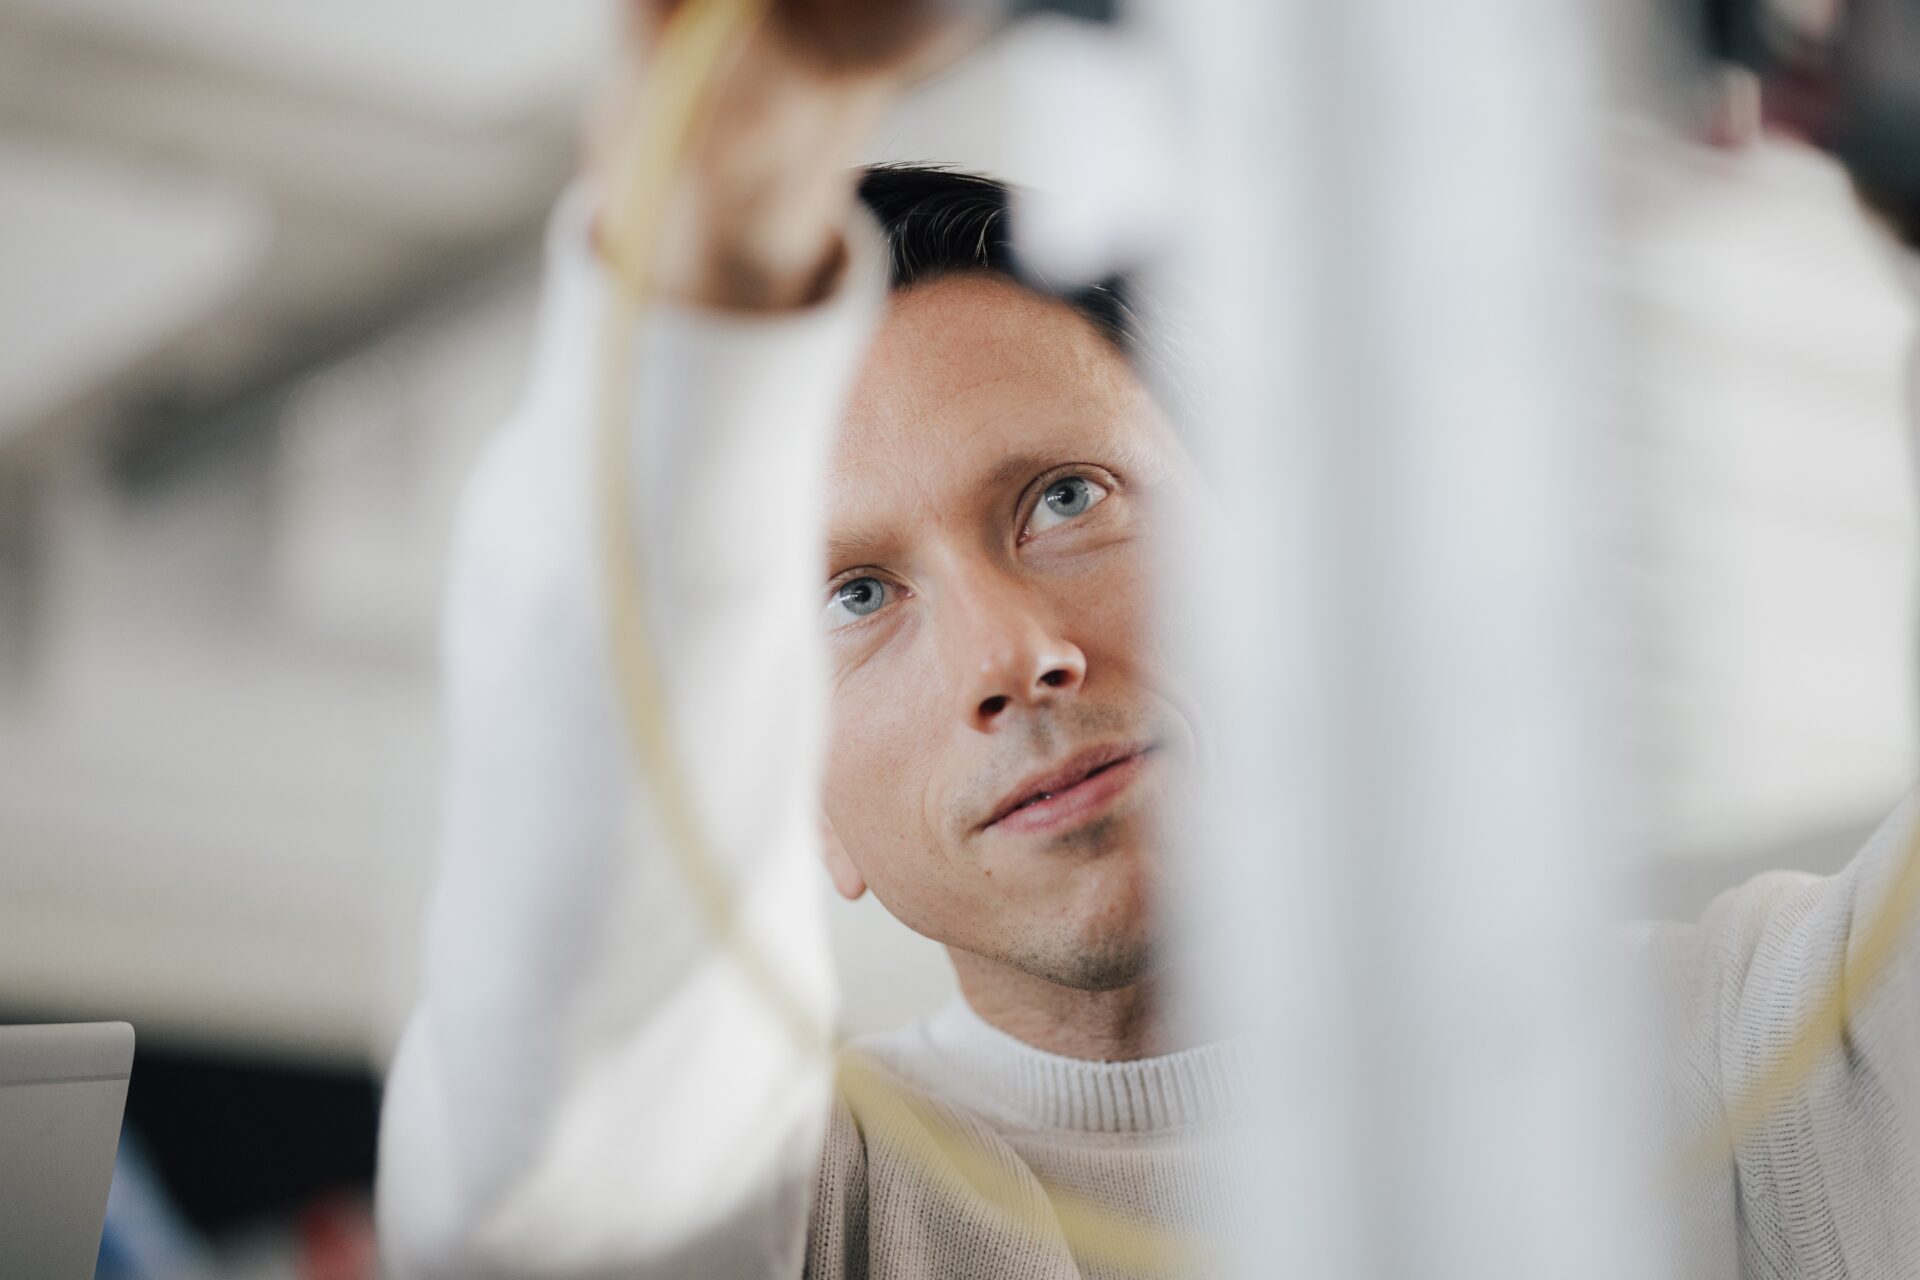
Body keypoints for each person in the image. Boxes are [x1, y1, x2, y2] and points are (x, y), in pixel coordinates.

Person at [375, 1, 1920, 1275]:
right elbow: (560, 1090)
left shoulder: (1748, 1061)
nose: (1015, 655)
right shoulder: (795, 1214)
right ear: (791, 805)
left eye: (1065, 497)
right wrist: (726, 186)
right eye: (852, 595)